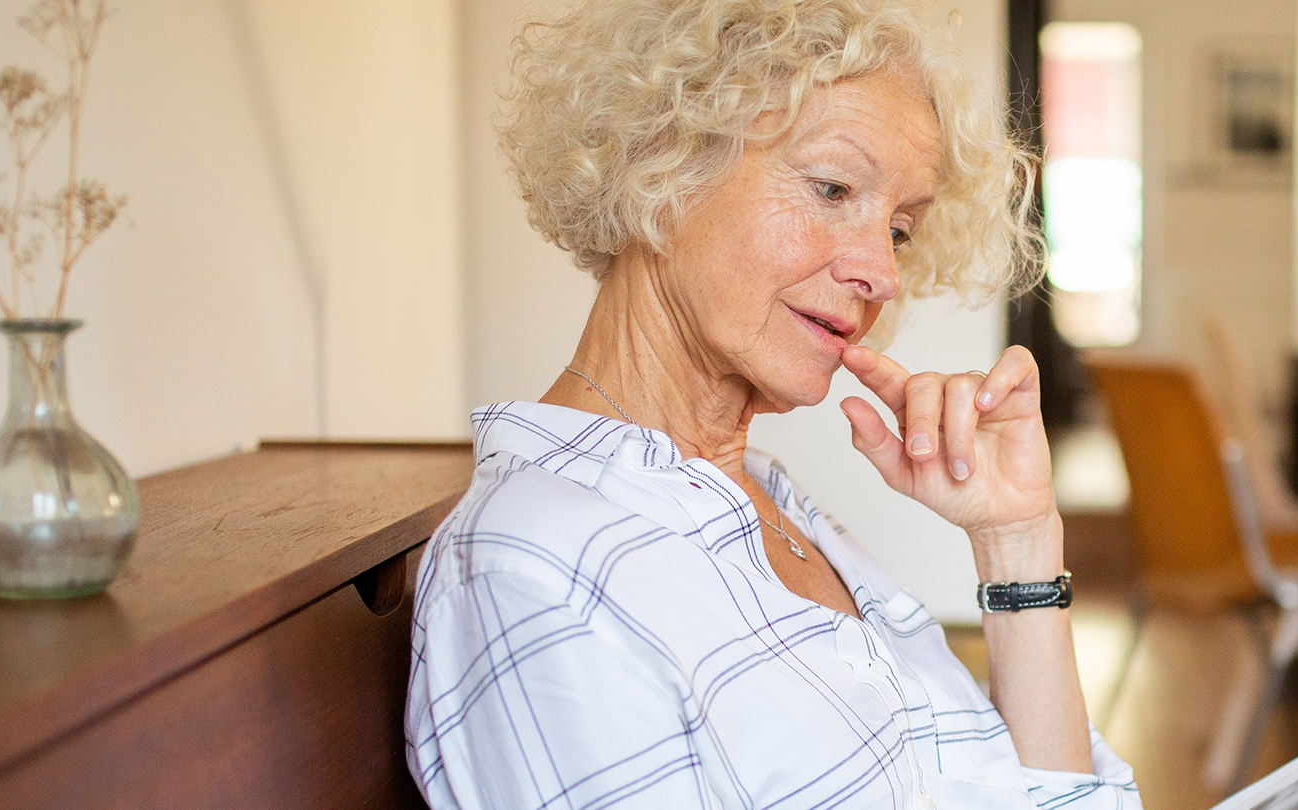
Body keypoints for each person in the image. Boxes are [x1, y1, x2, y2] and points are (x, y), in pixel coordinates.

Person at [403, 1, 1141, 807]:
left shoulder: (769, 501)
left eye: (898, 229)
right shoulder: (539, 565)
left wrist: (1017, 541)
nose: (884, 275)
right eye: (831, 188)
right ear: (662, 166)